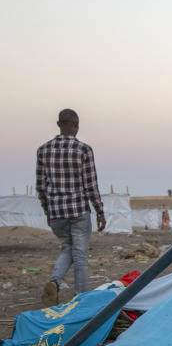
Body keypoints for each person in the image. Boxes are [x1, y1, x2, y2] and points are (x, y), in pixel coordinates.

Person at [36, 109, 106, 307]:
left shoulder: (43, 150)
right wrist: (100, 211)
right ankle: (80, 298)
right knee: (79, 253)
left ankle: (54, 281)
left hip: (57, 212)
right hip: (78, 211)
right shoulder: (83, 150)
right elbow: (91, 184)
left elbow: (41, 186)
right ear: (76, 125)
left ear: (59, 124)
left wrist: (47, 211)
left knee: (68, 248)